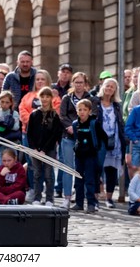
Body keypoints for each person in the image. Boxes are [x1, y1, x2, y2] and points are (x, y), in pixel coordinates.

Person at [59, 72, 98, 209]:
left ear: (85, 84)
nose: (79, 85)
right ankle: (68, 197)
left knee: (87, 172)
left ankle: (90, 202)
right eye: (76, 82)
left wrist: (79, 126)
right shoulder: (66, 98)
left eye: (81, 82)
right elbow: (62, 116)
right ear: (72, 83)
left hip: (85, 139)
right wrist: (71, 127)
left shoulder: (91, 99)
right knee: (69, 168)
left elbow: (94, 115)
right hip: (69, 137)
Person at [28, 87, 63, 207]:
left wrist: (44, 149)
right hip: (35, 149)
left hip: (49, 149)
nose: (45, 99)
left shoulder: (54, 115)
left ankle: (49, 198)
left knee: (49, 174)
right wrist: (34, 148)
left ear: (51, 98)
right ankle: (37, 197)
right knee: (37, 174)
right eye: (42, 96)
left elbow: (55, 135)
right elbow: (29, 133)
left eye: (47, 97)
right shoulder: (34, 114)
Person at [71, 99, 107, 213]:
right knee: (78, 180)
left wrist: (97, 148)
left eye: (85, 110)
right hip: (79, 155)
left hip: (91, 156)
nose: (82, 112)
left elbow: (103, 136)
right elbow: (76, 138)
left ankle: (91, 203)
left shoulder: (94, 123)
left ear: (89, 111)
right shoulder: (75, 124)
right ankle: (79, 203)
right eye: (80, 109)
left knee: (90, 180)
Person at [95, 78, 126, 208]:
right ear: (103, 87)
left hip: (114, 142)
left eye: (112, 87)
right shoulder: (96, 102)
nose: (109, 89)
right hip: (99, 140)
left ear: (115, 90)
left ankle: (109, 198)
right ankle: (95, 198)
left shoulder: (117, 106)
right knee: (96, 169)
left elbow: (120, 123)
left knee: (111, 170)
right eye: (107, 86)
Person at [52, 63, 73, 198]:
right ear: (58, 73)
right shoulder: (53, 88)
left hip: (66, 128)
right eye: (63, 71)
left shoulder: (72, 89)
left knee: (64, 158)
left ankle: (60, 186)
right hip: (53, 126)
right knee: (55, 156)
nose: (65, 74)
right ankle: (56, 185)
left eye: (68, 72)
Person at [0, 90, 20, 174]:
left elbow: (16, 127)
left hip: (11, 143)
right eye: (2, 102)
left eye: (7, 102)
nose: (4, 104)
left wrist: (1, 126)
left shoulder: (14, 113)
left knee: (13, 167)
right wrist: (6, 126)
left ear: (11, 103)